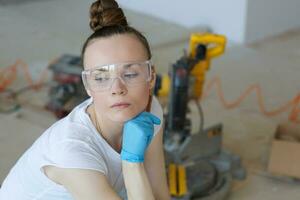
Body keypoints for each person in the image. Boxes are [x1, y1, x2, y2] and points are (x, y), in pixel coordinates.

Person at [0, 0, 170, 199]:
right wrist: (132, 162)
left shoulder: (150, 109)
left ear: (151, 77)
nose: (117, 89)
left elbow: (159, 193)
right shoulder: (73, 150)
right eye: (101, 77)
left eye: (130, 74)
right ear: (88, 86)